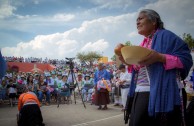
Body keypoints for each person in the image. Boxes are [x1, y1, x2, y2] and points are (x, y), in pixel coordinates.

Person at [118, 9, 193, 126]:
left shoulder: (168, 37)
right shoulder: (143, 43)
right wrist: (127, 61)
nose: (137, 22)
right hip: (140, 91)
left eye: (141, 18)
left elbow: (186, 60)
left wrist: (160, 57)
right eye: (136, 19)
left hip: (162, 92)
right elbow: (138, 67)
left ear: (153, 21)